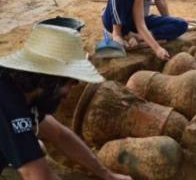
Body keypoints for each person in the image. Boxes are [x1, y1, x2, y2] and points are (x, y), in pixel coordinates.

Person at [0, 23, 132, 180]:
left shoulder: (28, 91)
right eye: (71, 82)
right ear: (52, 79)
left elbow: (61, 136)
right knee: (32, 158)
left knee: (35, 150)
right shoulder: (8, 102)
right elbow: (37, 176)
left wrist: (109, 176)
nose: (69, 93)